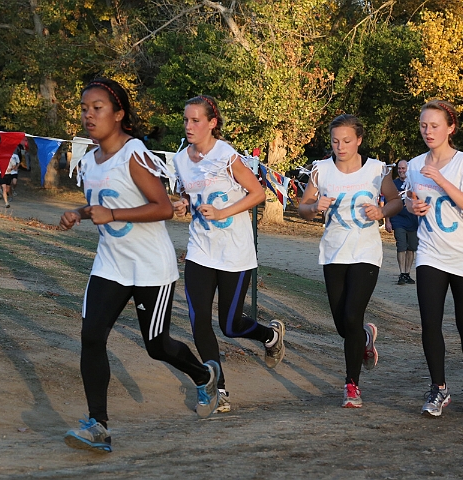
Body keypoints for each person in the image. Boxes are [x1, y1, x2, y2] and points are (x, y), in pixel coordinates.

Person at [59, 78, 221, 453]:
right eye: (84, 108)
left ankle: (203, 374)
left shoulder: (133, 153)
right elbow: (101, 204)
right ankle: (97, 425)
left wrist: (110, 212)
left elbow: (163, 207)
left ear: (118, 114)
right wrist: (79, 214)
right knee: (91, 336)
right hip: (110, 265)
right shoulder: (89, 160)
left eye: (97, 108)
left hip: (151, 268)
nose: (88, 115)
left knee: (156, 345)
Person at [172, 95, 286, 414]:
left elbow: (258, 193)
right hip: (200, 250)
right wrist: (183, 203)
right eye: (186, 120)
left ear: (212, 123)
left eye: (196, 120)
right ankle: (217, 389)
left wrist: (223, 211)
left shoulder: (227, 156)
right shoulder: (182, 159)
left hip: (234, 252)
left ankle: (270, 335)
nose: (189, 126)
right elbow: (188, 195)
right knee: (199, 322)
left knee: (230, 324)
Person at [298, 114, 402, 408]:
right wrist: (313, 207)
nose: (340, 146)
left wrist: (381, 213)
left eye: (346, 140)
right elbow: (303, 207)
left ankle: (352, 386)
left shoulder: (375, 170)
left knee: (352, 316)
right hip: (333, 252)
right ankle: (365, 338)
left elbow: (396, 201)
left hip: (365, 252)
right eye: (334, 141)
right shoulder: (321, 170)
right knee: (344, 324)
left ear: (358, 140)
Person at [405, 99, 463, 417]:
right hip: (430, 253)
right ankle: (438, 389)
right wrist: (413, 207)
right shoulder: (414, 165)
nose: (428, 131)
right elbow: (412, 199)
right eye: (424, 125)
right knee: (430, 323)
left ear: (450, 128)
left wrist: (440, 179)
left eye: (435, 125)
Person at [384, 159, 419, 285]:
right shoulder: (393, 185)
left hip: (413, 220)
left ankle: (407, 273)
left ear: (408, 169)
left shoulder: (414, 184)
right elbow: (388, 203)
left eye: (403, 168)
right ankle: (401, 272)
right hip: (398, 219)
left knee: (411, 248)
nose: (401, 171)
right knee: (401, 245)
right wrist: (387, 221)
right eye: (399, 168)